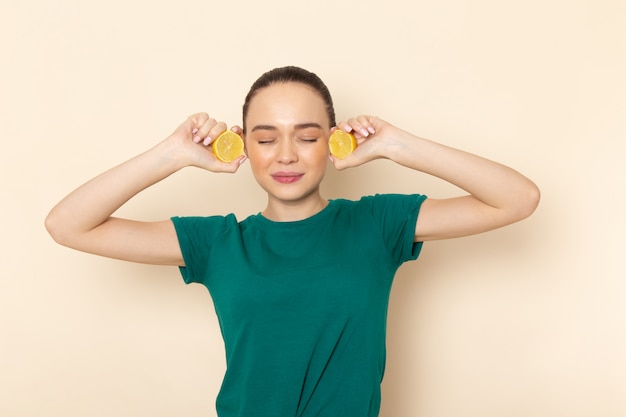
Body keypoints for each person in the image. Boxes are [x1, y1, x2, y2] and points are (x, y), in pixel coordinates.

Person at [45, 66, 540, 417]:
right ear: (242, 144)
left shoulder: (376, 224)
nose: (286, 155)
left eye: (306, 136)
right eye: (265, 138)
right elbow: (67, 224)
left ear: (333, 140)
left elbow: (517, 198)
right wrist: (172, 154)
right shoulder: (219, 243)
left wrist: (396, 145)